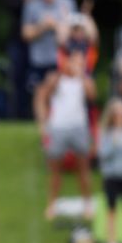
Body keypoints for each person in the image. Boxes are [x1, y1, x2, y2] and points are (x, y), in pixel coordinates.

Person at [34, 50, 95, 221]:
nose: (78, 65)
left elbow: (92, 96)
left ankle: (87, 203)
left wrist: (82, 75)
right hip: (58, 127)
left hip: (79, 127)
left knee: (83, 169)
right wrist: (43, 124)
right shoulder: (57, 78)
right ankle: (52, 204)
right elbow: (43, 96)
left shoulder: (84, 81)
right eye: (75, 61)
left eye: (81, 62)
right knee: (55, 170)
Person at [22, 0, 76, 96]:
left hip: (62, 59)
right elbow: (25, 34)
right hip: (39, 60)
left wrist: (57, 26)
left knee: (59, 97)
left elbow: (76, 31)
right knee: (39, 95)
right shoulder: (31, 5)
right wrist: (43, 26)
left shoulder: (67, 2)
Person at [6, 0, 45, 119]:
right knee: (18, 79)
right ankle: (18, 116)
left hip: (41, 42)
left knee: (40, 80)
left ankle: (38, 115)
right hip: (19, 41)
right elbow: (9, 7)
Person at [98, 99, 122, 243]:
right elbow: (103, 154)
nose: (120, 116)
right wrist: (115, 143)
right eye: (117, 113)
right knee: (111, 210)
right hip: (111, 176)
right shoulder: (106, 132)